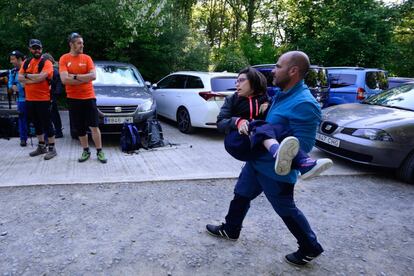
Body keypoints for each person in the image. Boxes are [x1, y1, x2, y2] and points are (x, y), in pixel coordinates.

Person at [206, 51, 325, 266]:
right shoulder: (281, 94)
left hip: (275, 170)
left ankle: (310, 247)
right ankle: (231, 229)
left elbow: (304, 145)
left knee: (285, 209)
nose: (273, 70)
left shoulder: (304, 103)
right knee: (241, 194)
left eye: (278, 66)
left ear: (293, 71)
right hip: (255, 164)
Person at [217, 67, 332, 179]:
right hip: (237, 141)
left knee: (281, 129)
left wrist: (268, 103)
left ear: (253, 81)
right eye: (236, 81)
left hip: (258, 142)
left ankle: (304, 163)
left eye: (241, 80)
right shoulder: (231, 100)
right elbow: (220, 122)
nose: (237, 84)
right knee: (256, 124)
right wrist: (237, 121)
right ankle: (278, 153)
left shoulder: (265, 98)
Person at [59, 32, 107, 163]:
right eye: (79, 43)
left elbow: (93, 76)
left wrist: (73, 76)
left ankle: (99, 151)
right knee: (79, 128)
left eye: (82, 43)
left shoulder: (87, 58)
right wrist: (82, 78)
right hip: (73, 98)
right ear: (71, 44)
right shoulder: (64, 59)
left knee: (94, 126)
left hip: (88, 97)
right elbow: (64, 80)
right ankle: (86, 151)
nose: (82, 45)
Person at [18, 39, 57, 160]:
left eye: (39, 48)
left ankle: (52, 148)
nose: (37, 50)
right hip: (30, 99)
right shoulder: (26, 62)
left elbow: (42, 77)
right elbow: (20, 78)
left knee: (47, 124)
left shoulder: (47, 63)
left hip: (43, 99)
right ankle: (41, 146)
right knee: (36, 124)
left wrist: (27, 76)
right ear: (30, 49)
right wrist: (32, 78)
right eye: (34, 48)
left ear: (42, 49)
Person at [8, 50, 28, 146]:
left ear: (19, 59)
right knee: (22, 118)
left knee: (38, 118)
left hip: (33, 98)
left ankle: (44, 139)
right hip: (21, 99)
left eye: (13, 59)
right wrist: (12, 87)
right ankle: (23, 139)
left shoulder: (29, 68)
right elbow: (10, 83)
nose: (11, 61)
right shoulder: (13, 71)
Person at [42, 53, 63, 138]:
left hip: (52, 95)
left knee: (54, 114)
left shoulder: (54, 70)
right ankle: (56, 130)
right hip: (49, 94)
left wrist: (55, 94)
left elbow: (58, 83)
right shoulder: (52, 69)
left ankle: (58, 131)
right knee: (53, 113)